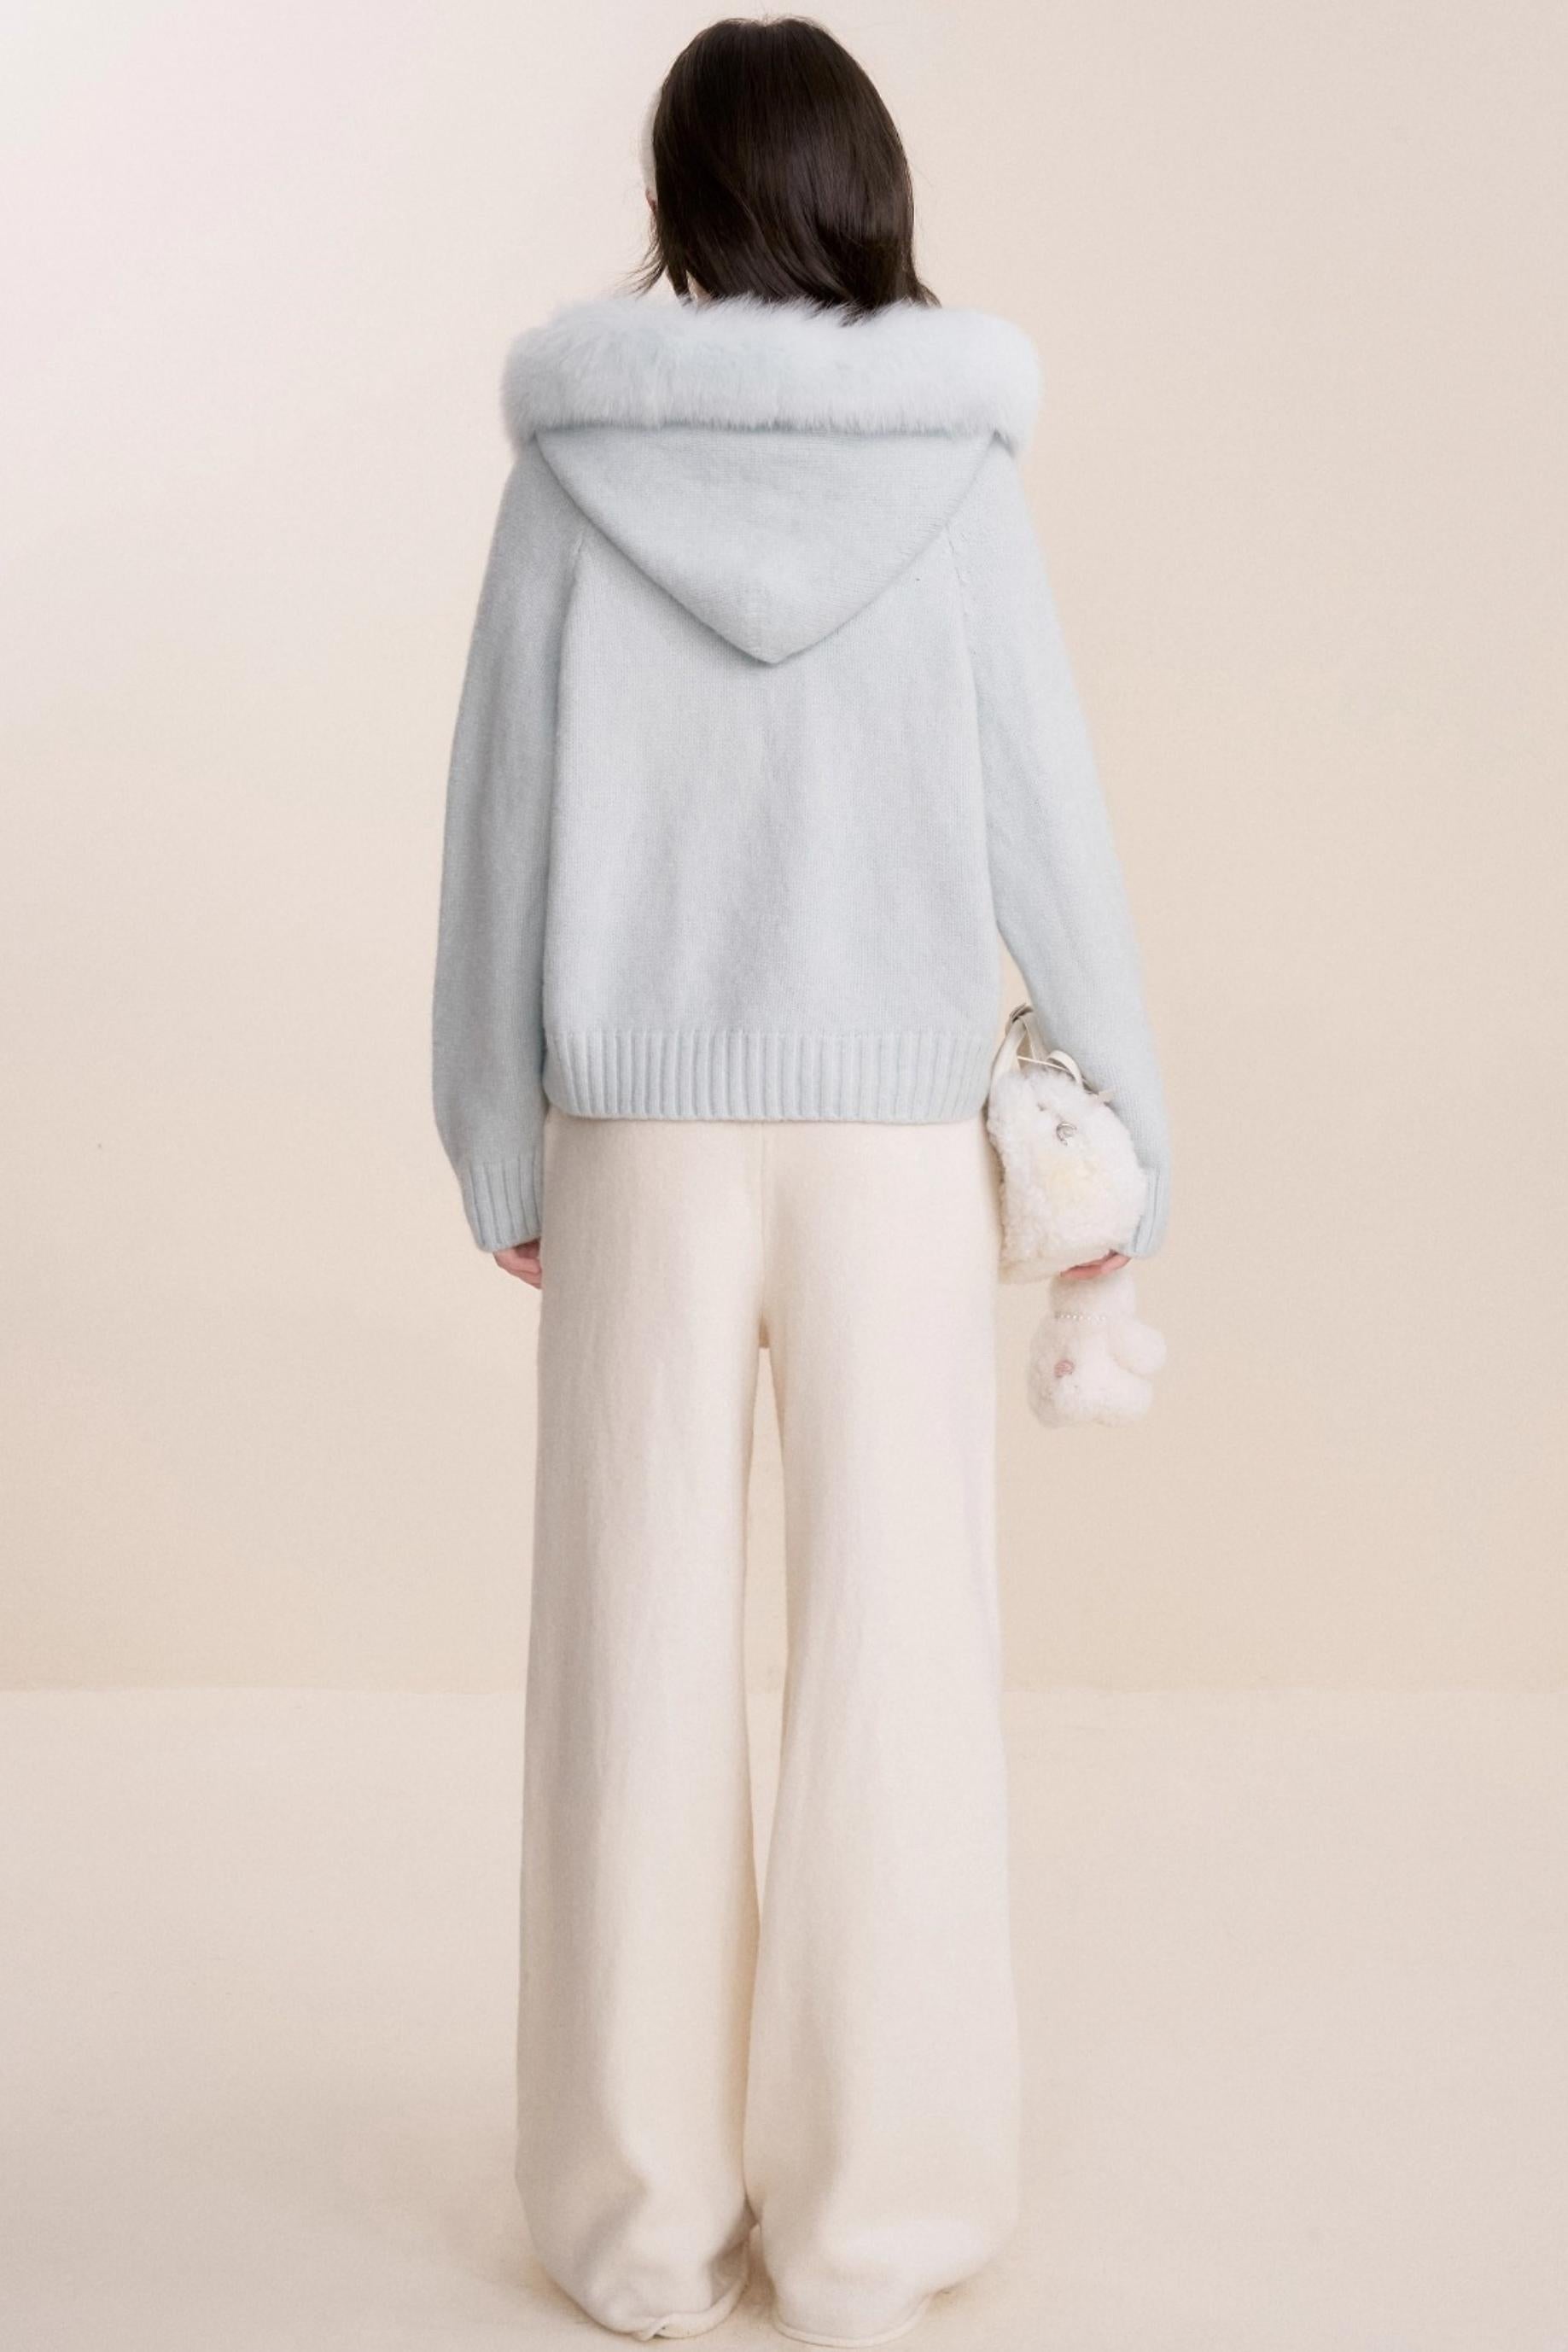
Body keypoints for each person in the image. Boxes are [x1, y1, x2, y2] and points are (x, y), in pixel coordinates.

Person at [434, 17, 1169, 2343]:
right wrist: (1129, 1135)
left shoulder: (573, 468)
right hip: (890, 1149)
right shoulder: (957, 468)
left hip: (635, 1138)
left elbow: (499, 819)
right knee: (899, 1659)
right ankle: (876, 2230)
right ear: (867, 189)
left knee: (628, 1655)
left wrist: (492, 1133)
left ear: (681, 198)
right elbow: (1050, 812)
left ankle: (639, 2227)